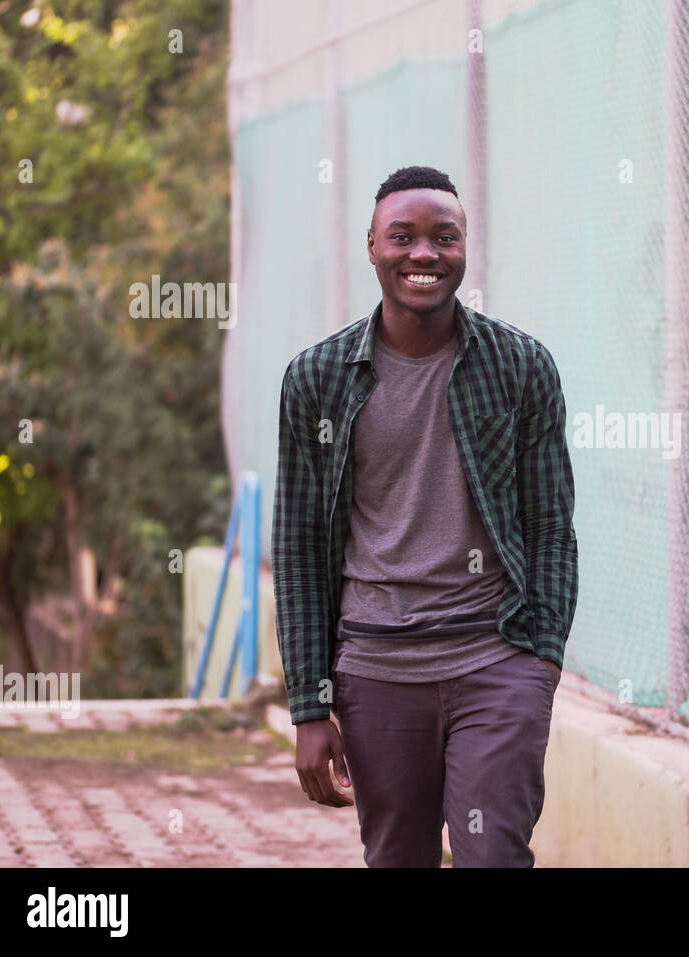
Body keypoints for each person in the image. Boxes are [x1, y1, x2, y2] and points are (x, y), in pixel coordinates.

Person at [271, 164, 578, 867]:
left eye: (444, 237)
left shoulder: (521, 367)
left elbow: (552, 528)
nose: (424, 253)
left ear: (465, 246)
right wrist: (310, 706)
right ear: (372, 247)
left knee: (492, 854)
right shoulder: (315, 379)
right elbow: (296, 551)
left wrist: (543, 662)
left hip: (496, 658)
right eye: (402, 236)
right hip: (376, 668)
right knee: (398, 856)